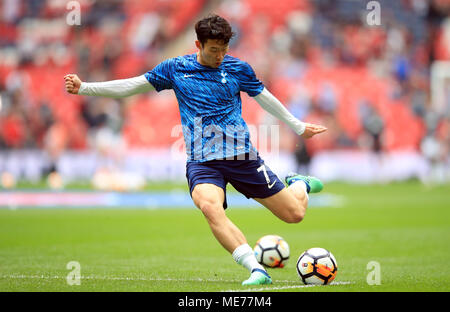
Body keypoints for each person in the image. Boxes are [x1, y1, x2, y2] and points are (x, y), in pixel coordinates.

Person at [64, 14, 327, 286]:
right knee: (210, 207)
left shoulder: (238, 69)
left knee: (294, 214)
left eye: (224, 50)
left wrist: (297, 126)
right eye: (214, 50)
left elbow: (265, 98)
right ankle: (256, 270)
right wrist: (85, 88)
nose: (220, 56)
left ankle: (299, 185)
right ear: (198, 45)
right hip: (203, 163)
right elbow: (133, 85)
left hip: (242, 158)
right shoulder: (175, 69)